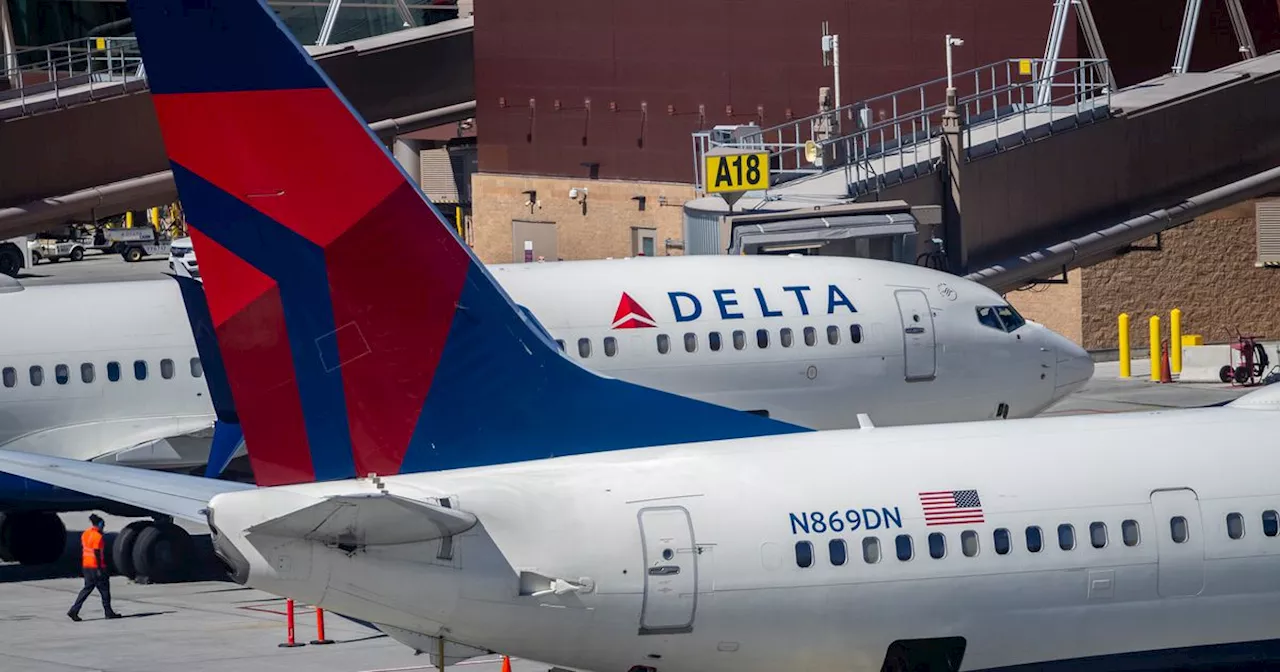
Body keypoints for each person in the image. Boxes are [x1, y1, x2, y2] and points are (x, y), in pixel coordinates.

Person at [67, 514, 121, 621]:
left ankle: (74, 610)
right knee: (105, 590)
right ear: (100, 524)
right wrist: (100, 569)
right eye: (103, 524)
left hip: (86, 566)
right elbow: (96, 553)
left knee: (87, 589)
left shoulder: (86, 534)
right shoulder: (98, 537)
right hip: (96, 567)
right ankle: (108, 612)